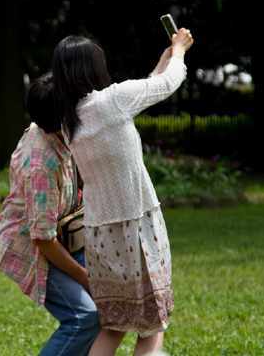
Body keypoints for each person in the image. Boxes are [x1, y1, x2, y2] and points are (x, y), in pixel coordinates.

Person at [51, 29, 194, 356]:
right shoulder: (113, 100)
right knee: (152, 329)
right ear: (94, 67)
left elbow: (146, 88)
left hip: (100, 238)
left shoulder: (69, 121)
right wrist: (181, 51)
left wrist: (165, 58)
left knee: (113, 328)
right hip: (138, 230)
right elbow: (168, 83)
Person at [0, 72, 101, 356]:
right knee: (84, 318)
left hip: (62, 238)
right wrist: (84, 277)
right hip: (34, 248)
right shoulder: (41, 165)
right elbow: (42, 238)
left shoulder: (49, 127)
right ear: (63, 116)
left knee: (104, 306)